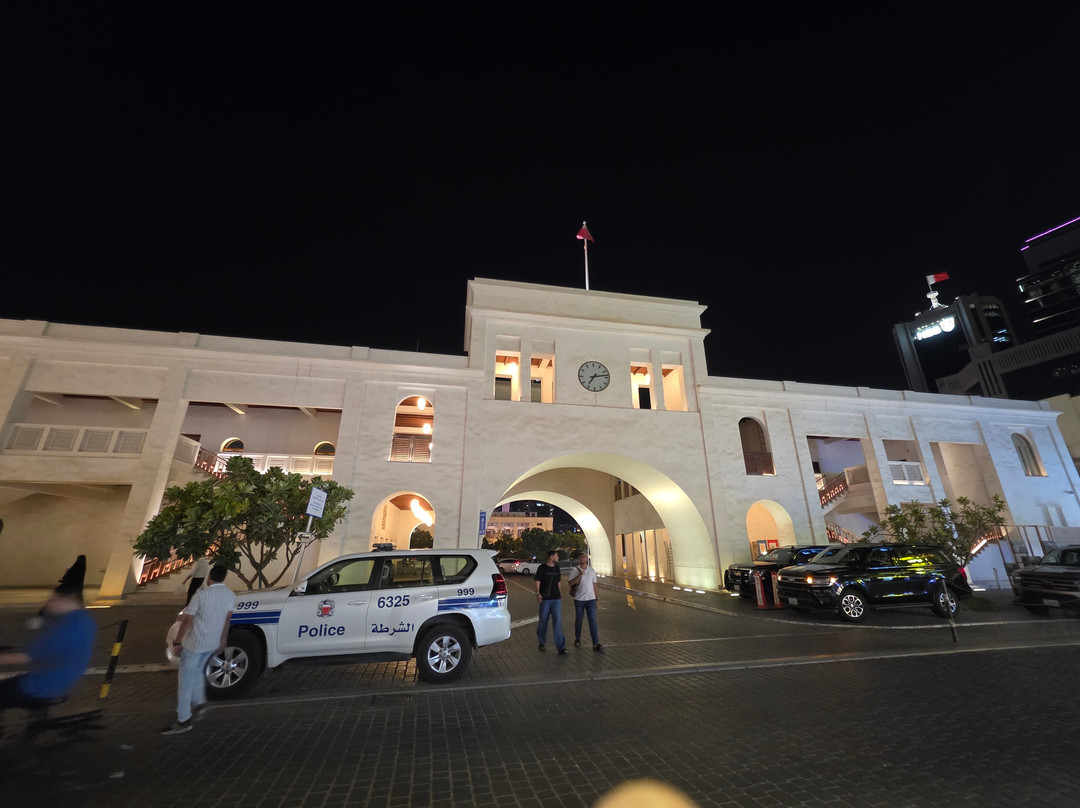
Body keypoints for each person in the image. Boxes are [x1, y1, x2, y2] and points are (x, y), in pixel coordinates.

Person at [0, 556, 96, 731]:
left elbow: (23, 657)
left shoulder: (66, 627)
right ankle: (37, 722)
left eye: (51, 600)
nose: (47, 604)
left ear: (63, 599)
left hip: (44, 685)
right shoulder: (85, 621)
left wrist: (4, 658)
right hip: (63, 682)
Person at [162, 564, 234, 735]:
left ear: (210, 576)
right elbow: (227, 620)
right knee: (199, 671)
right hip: (212, 643)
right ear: (223, 577)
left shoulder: (201, 595)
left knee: (185, 682)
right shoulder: (230, 595)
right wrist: (223, 640)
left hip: (195, 644)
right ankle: (199, 701)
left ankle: (183, 719)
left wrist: (178, 642)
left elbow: (187, 620)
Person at [534, 549, 567, 655]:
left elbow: (558, 582)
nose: (558, 558)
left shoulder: (557, 568)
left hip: (556, 598)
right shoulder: (542, 568)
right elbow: (537, 581)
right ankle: (542, 642)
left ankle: (561, 646)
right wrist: (538, 593)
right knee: (543, 620)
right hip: (545, 599)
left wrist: (560, 594)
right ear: (551, 557)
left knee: (557, 621)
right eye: (556, 556)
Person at [569, 552, 602, 652]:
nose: (582, 558)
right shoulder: (575, 570)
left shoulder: (591, 571)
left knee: (592, 620)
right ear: (579, 559)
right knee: (579, 620)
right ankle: (578, 638)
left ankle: (595, 643)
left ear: (586, 559)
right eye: (580, 557)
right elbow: (570, 583)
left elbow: (594, 585)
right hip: (579, 600)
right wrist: (579, 575)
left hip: (590, 599)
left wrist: (597, 599)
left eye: (584, 557)